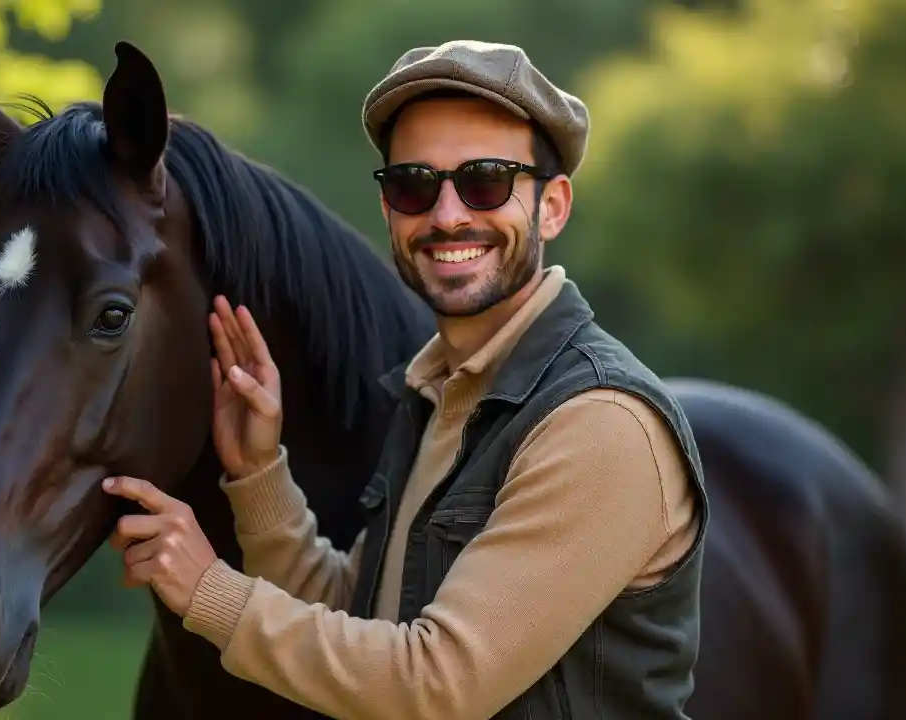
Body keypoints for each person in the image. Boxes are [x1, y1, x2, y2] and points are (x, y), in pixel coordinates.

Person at [102, 40, 709, 719]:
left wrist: (208, 589)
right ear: (390, 209)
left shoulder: (598, 422)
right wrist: (258, 474)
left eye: (485, 181)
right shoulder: (443, 395)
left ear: (552, 206)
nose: (447, 215)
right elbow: (360, 619)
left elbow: (436, 682)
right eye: (414, 184)